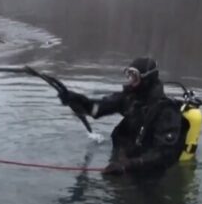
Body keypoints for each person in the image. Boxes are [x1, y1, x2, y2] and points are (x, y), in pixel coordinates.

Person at [59, 57, 188, 175]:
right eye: (129, 76)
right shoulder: (129, 98)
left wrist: (128, 165)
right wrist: (76, 99)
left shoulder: (166, 111)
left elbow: (165, 154)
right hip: (123, 159)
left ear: (147, 80)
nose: (130, 82)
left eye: (135, 77)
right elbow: (97, 109)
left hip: (147, 171)